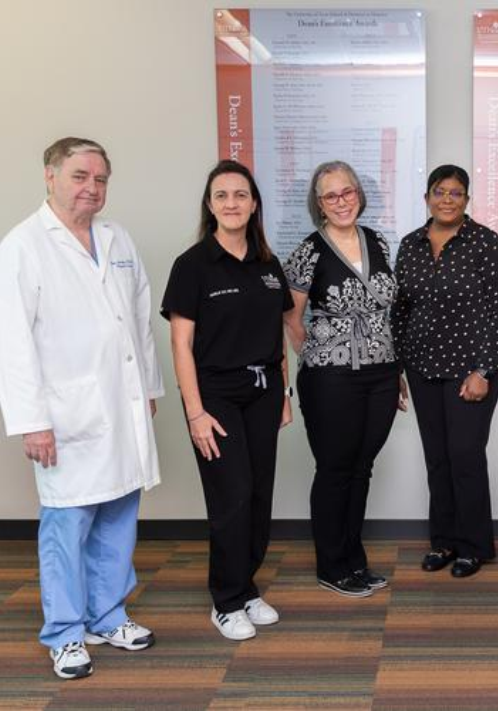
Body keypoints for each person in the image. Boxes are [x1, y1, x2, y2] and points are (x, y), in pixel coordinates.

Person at [0, 137, 162, 680]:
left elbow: (139, 323)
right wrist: (31, 421)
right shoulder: (23, 245)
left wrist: (149, 391)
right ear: (50, 176)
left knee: (119, 514)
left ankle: (107, 615)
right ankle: (64, 633)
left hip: (122, 403)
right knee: (67, 526)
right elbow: (11, 341)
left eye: (101, 179)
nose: (92, 188)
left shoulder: (117, 238)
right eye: (80, 176)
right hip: (66, 415)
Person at [161, 159, 293, 641]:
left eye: (240, 195)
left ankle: (247, 586)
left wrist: (285, 392)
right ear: (210, 205)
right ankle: (226, 600)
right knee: (231, 495)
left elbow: (277, 336)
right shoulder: (192, 265)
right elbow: (180, 345)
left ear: (254, 203)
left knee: (259, 494)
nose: (232, 203)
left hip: (264, 392)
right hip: (214, 395)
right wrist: (194, 412)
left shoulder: (267, 263)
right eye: (222, 196)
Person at [283, 161, 402, 598]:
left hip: (382, 373)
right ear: (319, 204)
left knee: (362, 468)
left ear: (358, 193)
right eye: (330, 195)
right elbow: (292, 318)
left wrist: (393, 367)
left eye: (347, 192)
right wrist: (319, 356)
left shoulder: (378, 241)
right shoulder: (308, 251)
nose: (341, 201)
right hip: (331, 378)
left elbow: (388, 309)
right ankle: (332, 565)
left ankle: (355, 560)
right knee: (335, 469)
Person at [392, 164, 498, 579]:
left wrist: (484, 369)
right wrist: (397, 369)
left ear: (467, 199)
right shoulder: (410, 245)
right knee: (437, 460)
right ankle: (443, 541)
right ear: (427, 196)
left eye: (456, 193)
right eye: (439, 191)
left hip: (471, 371)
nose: (447, 199)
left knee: (465, 457)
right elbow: (400, 309)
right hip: (422, 368)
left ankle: (474, 545)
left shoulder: (484, 242)